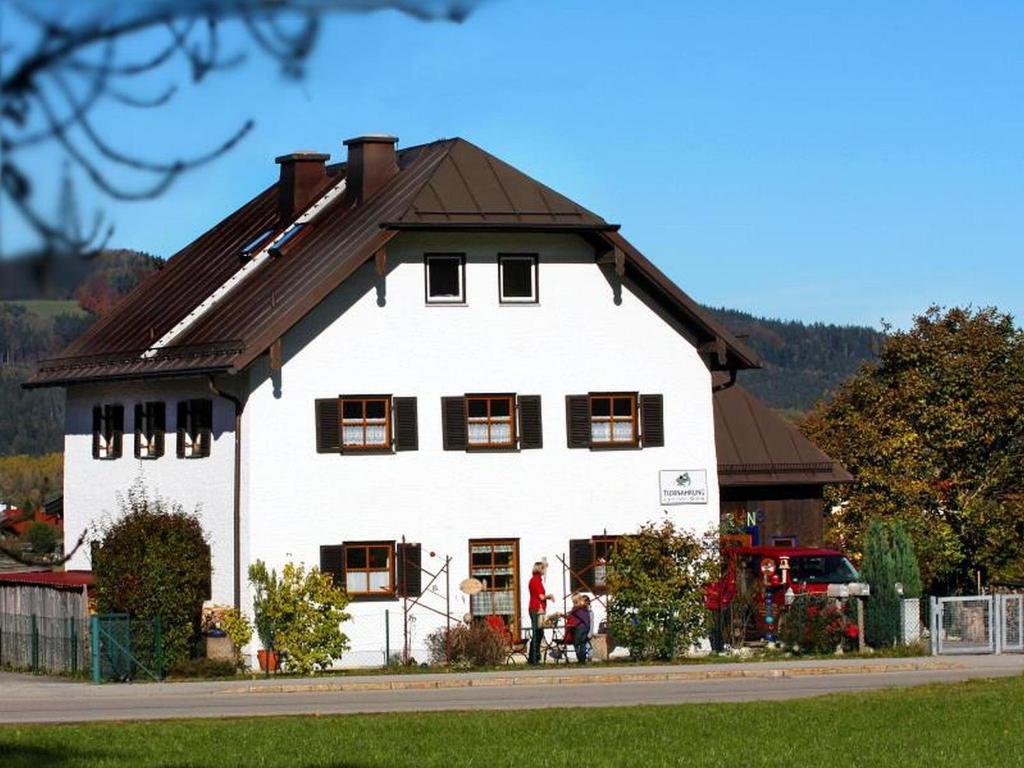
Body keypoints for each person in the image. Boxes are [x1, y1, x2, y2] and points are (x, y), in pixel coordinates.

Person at [528, 560, 554, 665]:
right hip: (536, 609)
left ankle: (534, 657)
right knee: (537, 633)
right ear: (540, 569)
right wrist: (550, 596)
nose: (545, 570)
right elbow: (541, 596)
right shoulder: (536, 580)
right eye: (543, 568)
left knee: (538, 632)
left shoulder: (534, 580)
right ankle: (534, 658)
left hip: (535, 608)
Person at [567, 594, 593, 663]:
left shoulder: (578, 608)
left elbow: (570, 614)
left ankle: (581, 659)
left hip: (580, 628)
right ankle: (582, 659)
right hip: (585, 627)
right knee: (582, 644)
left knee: (577, 643)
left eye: (574, 601)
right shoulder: (583, 607)